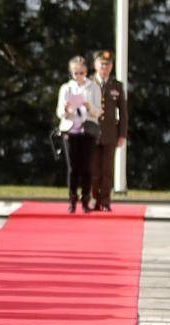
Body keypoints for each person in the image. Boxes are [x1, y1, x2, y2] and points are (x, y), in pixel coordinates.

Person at [55, 55, 101, 212]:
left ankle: (86, 199)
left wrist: (88, 106)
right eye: (76, 73)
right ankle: (72, 199)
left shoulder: (93, 87)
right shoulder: (66, 88)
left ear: (86, 71)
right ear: (71, 73)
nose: (79, 76)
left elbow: (98, 112)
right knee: (73, 167)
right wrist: (66, 109)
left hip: (87, 130)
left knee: (87, 167)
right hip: (71, 129)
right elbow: (59, 112)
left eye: (82, 73)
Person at [91, 50, 128, 211]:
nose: (104, 67)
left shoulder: (117, 86)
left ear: (111, 66)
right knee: (93, 169)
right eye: (101, 64)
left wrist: (122, 134)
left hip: (109, 133)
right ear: (95, 65)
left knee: (107, 169)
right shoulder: (88, 83)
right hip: (91, 132)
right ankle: (94, 199)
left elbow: (123, 113)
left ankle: (105, 201)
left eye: (107, 65)